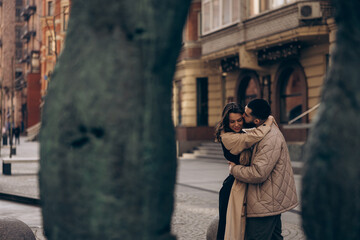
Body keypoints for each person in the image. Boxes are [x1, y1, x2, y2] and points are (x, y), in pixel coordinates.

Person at [228, 99, 298, 240]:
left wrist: (234, 169)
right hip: (269, 199)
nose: (242, 116)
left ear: (257, 121)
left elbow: (258, 173)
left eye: (246, 115)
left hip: (264, 203)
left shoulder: (270, 139)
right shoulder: (264, 129)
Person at [215, 102, 274, 240]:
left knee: (240, 229)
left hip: (243, 183)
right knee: (228, 230)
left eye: (239, 120)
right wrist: (269, 120)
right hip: (232, 188)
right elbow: (254, 136)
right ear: (226, 122)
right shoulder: (228, 137)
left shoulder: (241, 132)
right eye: (232, 121)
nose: (236, 124)